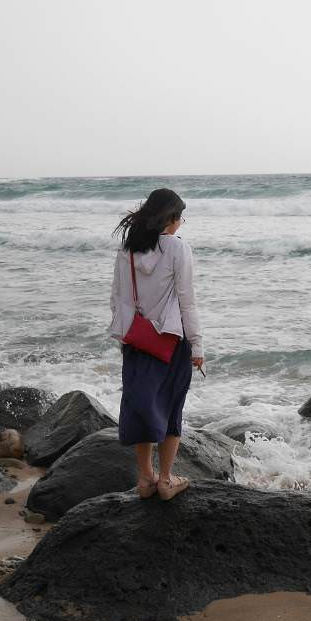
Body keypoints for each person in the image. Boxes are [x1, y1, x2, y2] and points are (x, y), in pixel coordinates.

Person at [109, 187, 204, 500]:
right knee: (171, 406)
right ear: (171, 218)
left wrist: (126, 337)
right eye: (180, 217)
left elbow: (117, 299)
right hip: (171, 342)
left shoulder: (129, 249)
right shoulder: (178, 249)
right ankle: (166, 479)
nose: (181, 223)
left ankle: (145, 478)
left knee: (140, 405)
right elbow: (187, 301)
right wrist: (197, 345)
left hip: (137, 339)